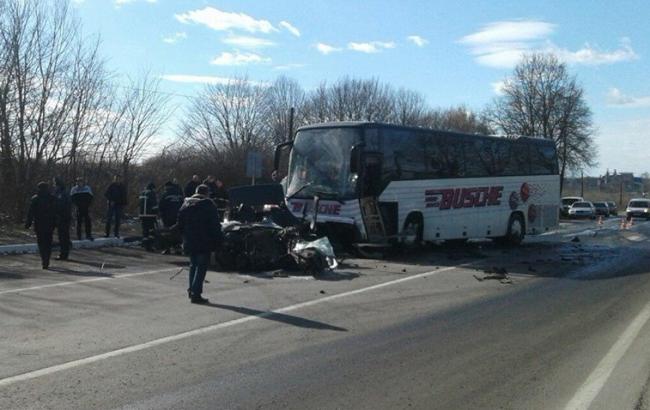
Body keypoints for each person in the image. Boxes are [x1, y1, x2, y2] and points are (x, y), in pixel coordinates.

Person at [174, 184, 221, 304]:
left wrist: (183, 236)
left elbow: (180, 223)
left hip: (189, 240)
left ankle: (191, 290)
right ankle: (196, 293)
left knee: (193, 265)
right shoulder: (208, 205)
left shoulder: (186, 204)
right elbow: (214, 225)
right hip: (203, 240)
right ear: (206, 193)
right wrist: (218, 240)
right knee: (201, 267)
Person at [25, 182, 58, 269]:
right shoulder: (52, 198)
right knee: (48, 243)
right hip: (50, 224)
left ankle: (44, 260)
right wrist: (57, 223)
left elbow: (30, 213)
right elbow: (56, 212)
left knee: (41, 243)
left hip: (39, 224)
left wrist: (28, 223)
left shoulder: (35, 198)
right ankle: (47, 259)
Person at [159, 181, 184, 254]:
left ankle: (168, 248)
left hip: (167, 217)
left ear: (167, 187)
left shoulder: (165, 194)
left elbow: (161, 206)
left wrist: (161, 214)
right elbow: (183, 204)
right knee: (177, 232)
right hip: (178, 216)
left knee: (167, 232)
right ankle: (178, 248)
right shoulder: (179, 194)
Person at [53, 177, 72, 261]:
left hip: (64, 217)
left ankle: (64, 254)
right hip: (61, 216)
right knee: (62, 236)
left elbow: (62, 205)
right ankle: (64, 252)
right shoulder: (58, 192)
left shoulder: (63, 193)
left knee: (63, 236)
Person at [138, 182, 158, 250]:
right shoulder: (152, 193)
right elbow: (154, 205)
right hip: (150, 215)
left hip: (142, 215)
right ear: (152, 188)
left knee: (144, 230)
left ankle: (144, 243)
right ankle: (149, 245)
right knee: (151, 230)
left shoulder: (142, 193)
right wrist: (157, 212)